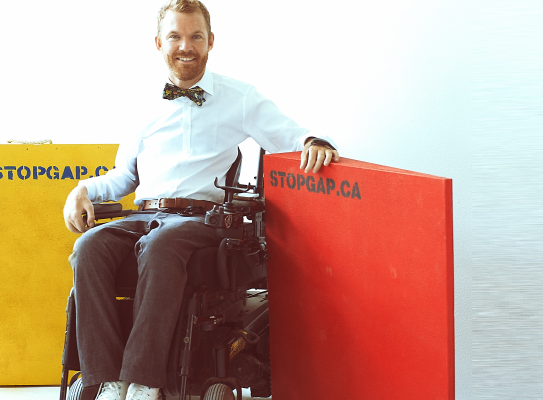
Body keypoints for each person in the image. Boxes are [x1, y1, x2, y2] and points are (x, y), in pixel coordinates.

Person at [62, 1, 338, 399]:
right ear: (159, 43)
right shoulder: (143, 103)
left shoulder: (239, 97)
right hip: (144, 213)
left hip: (200, 221)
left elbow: (289, 136)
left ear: (211, 42)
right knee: (88, 246)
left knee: (161, 245)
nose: (185, 46)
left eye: (195, 36)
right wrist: (82, 190)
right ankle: (105, 382)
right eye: (175, 36)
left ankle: (144, 383)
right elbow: (124, 176)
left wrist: (313, 142)